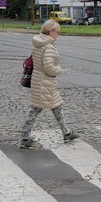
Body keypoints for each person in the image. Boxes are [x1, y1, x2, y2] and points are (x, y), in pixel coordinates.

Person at [19, 19, 79, 148]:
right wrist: (59, 70)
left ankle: (66, 132)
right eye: (57, 32)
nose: (58, 34)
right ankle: (25, 137)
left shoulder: (38, 44)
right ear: (51, 31)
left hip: (39, 80)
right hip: (45, 82)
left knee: (57, 106)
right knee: (36, 109)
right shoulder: (48, 47)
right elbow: (49, 68)